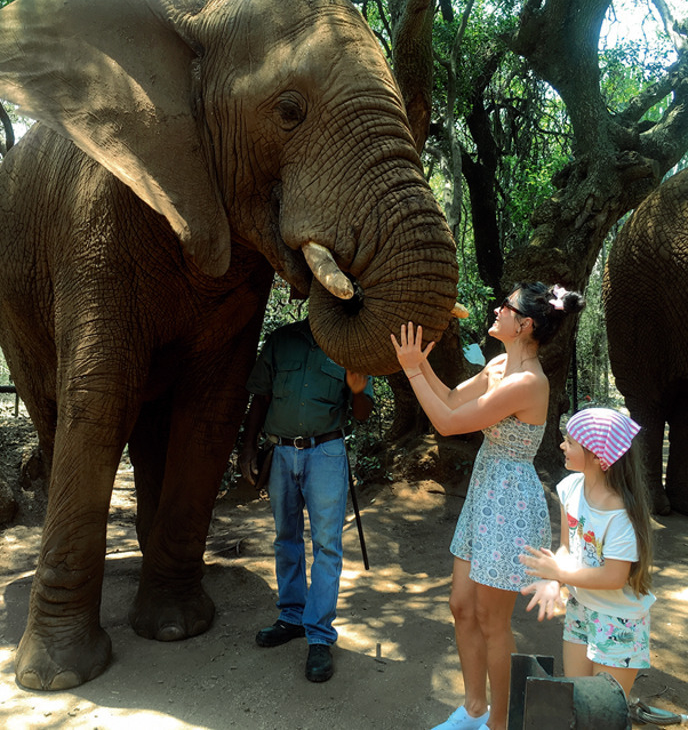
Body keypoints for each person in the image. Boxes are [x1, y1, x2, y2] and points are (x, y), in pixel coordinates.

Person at [390, 282, 584, 730]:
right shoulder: (499, 364)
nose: (498, 309)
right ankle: (473, 708)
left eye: (507, 306)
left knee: (491, 619)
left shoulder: (528, 382)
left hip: (510, 500)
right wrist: (419, 365)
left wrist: (412, 372)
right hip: (485, 490)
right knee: (461, 605)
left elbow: (448, 423)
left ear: (525, 324)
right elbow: (454, 399)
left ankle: (500, 722)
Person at [239, 316, 373, 683]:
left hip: (327, 452)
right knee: (286, 539)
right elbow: (260, 398)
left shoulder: (352, 343)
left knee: (327, 545)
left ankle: (318, 636)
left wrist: (358, 390)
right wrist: (248, 448)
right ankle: (292, 617)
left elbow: (362, 413)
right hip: (281, 453)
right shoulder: (281, 340)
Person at [520, 407, 655, 697]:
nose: (561, 445)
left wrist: (559, 573)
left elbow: (613, 577)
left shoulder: (621, 514)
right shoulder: (569, 488)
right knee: (577, 702)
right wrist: (555, 580)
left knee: (604, 713)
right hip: (581, 609)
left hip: (619, 620)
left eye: (570, 441)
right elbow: (568, 548)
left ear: (597, 456)